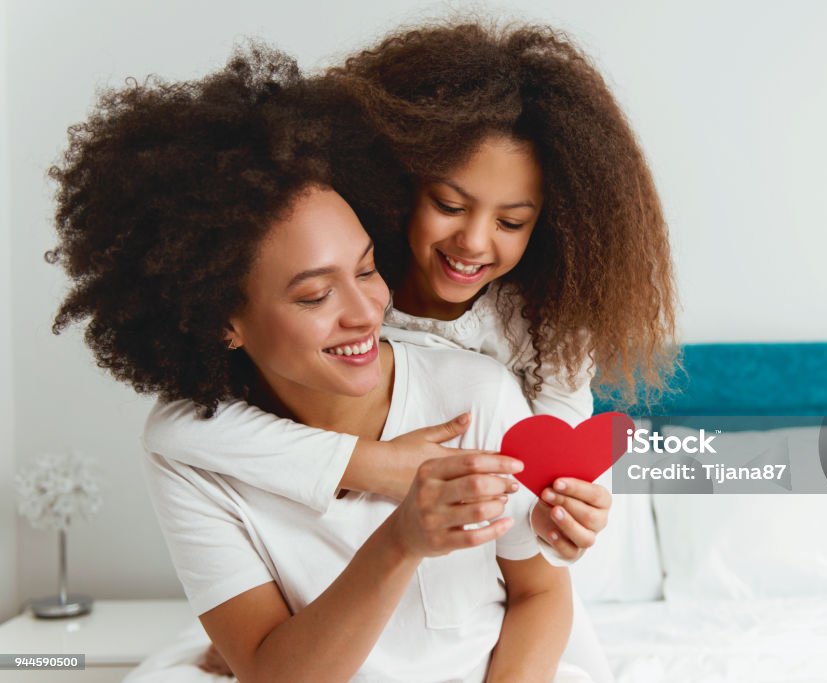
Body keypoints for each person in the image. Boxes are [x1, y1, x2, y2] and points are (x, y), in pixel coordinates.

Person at [146, 21, 680, 682]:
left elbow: (551, 479)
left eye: (512, 221)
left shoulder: (532, 343)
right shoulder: (357, 283)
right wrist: (378, 467)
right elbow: (176, 432)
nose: (476, 243)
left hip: (487, 605)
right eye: (450, 204)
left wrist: (555, 519)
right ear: (396, 187)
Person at [49, 47, 586, 682]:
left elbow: (541, 592)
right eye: (314, 295)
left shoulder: (479, 389)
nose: (365, 314)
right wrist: (399, 538)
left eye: (366, 269)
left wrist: (571, 505)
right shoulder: (195, 457)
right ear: (222, 320)